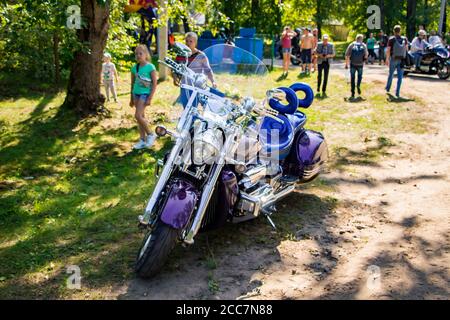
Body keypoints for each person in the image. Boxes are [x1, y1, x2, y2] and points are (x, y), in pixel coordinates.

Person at [174, 32, 216, 107]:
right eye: (186, 41)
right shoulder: (180, 55)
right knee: (186, 107)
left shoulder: (201, 55)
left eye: (191, 41)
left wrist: (213, 81)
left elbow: (208, 70)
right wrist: (174, 77)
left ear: (195, 43)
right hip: (185, 85)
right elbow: (175, 68)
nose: (188, 43)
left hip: (197, 86)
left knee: (194, 107)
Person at [129, 45, 158, 150]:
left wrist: (150, 97)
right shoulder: (134, 68)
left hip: (144, 94)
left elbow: (155, 83)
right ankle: (142, 139)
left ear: (146, 54)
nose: (138, 55)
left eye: (140, 53)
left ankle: (151, 134)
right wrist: (131, 98)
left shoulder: (150, 67)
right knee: (141, 117)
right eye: (136, 54)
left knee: (137, 116)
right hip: (136, 94)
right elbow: (132, 84)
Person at [385, 25, 408, 98]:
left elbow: (388, 50)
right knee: (400, 77)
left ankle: (388, 88)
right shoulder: (404, 39)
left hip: (393, 58)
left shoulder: (391, 39)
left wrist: (387, 59)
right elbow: (406, 49)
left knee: (391, 74)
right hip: (401, 60)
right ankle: (397, 92)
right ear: (400, 31)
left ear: (393, 31)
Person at [345, 34, 368, 99]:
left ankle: (352, 93)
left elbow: (347, 55)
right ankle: (358, 85)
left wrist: (346, 64)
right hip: (360, 64)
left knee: (352, 78)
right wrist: (364, 60)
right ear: (361, 39)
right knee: (360, 76)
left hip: (353, 64)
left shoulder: (352, 45)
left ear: (356, 39)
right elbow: (366, 55)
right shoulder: (363, 45)